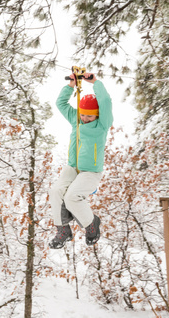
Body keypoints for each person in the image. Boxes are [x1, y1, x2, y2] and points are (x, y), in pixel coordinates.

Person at [49, 72, 113, 249]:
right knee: (55, 192)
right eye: (83, 115)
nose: (85, 119)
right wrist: (71, 85)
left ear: (97, 116)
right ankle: (63, 230)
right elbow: (60, 103)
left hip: (90, 171)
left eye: (89, 117)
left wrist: (95, 83)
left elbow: (106, 102)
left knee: (71, 197)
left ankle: (91, 224)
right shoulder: (76, 119)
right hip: (72, 168)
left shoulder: (102, 125)